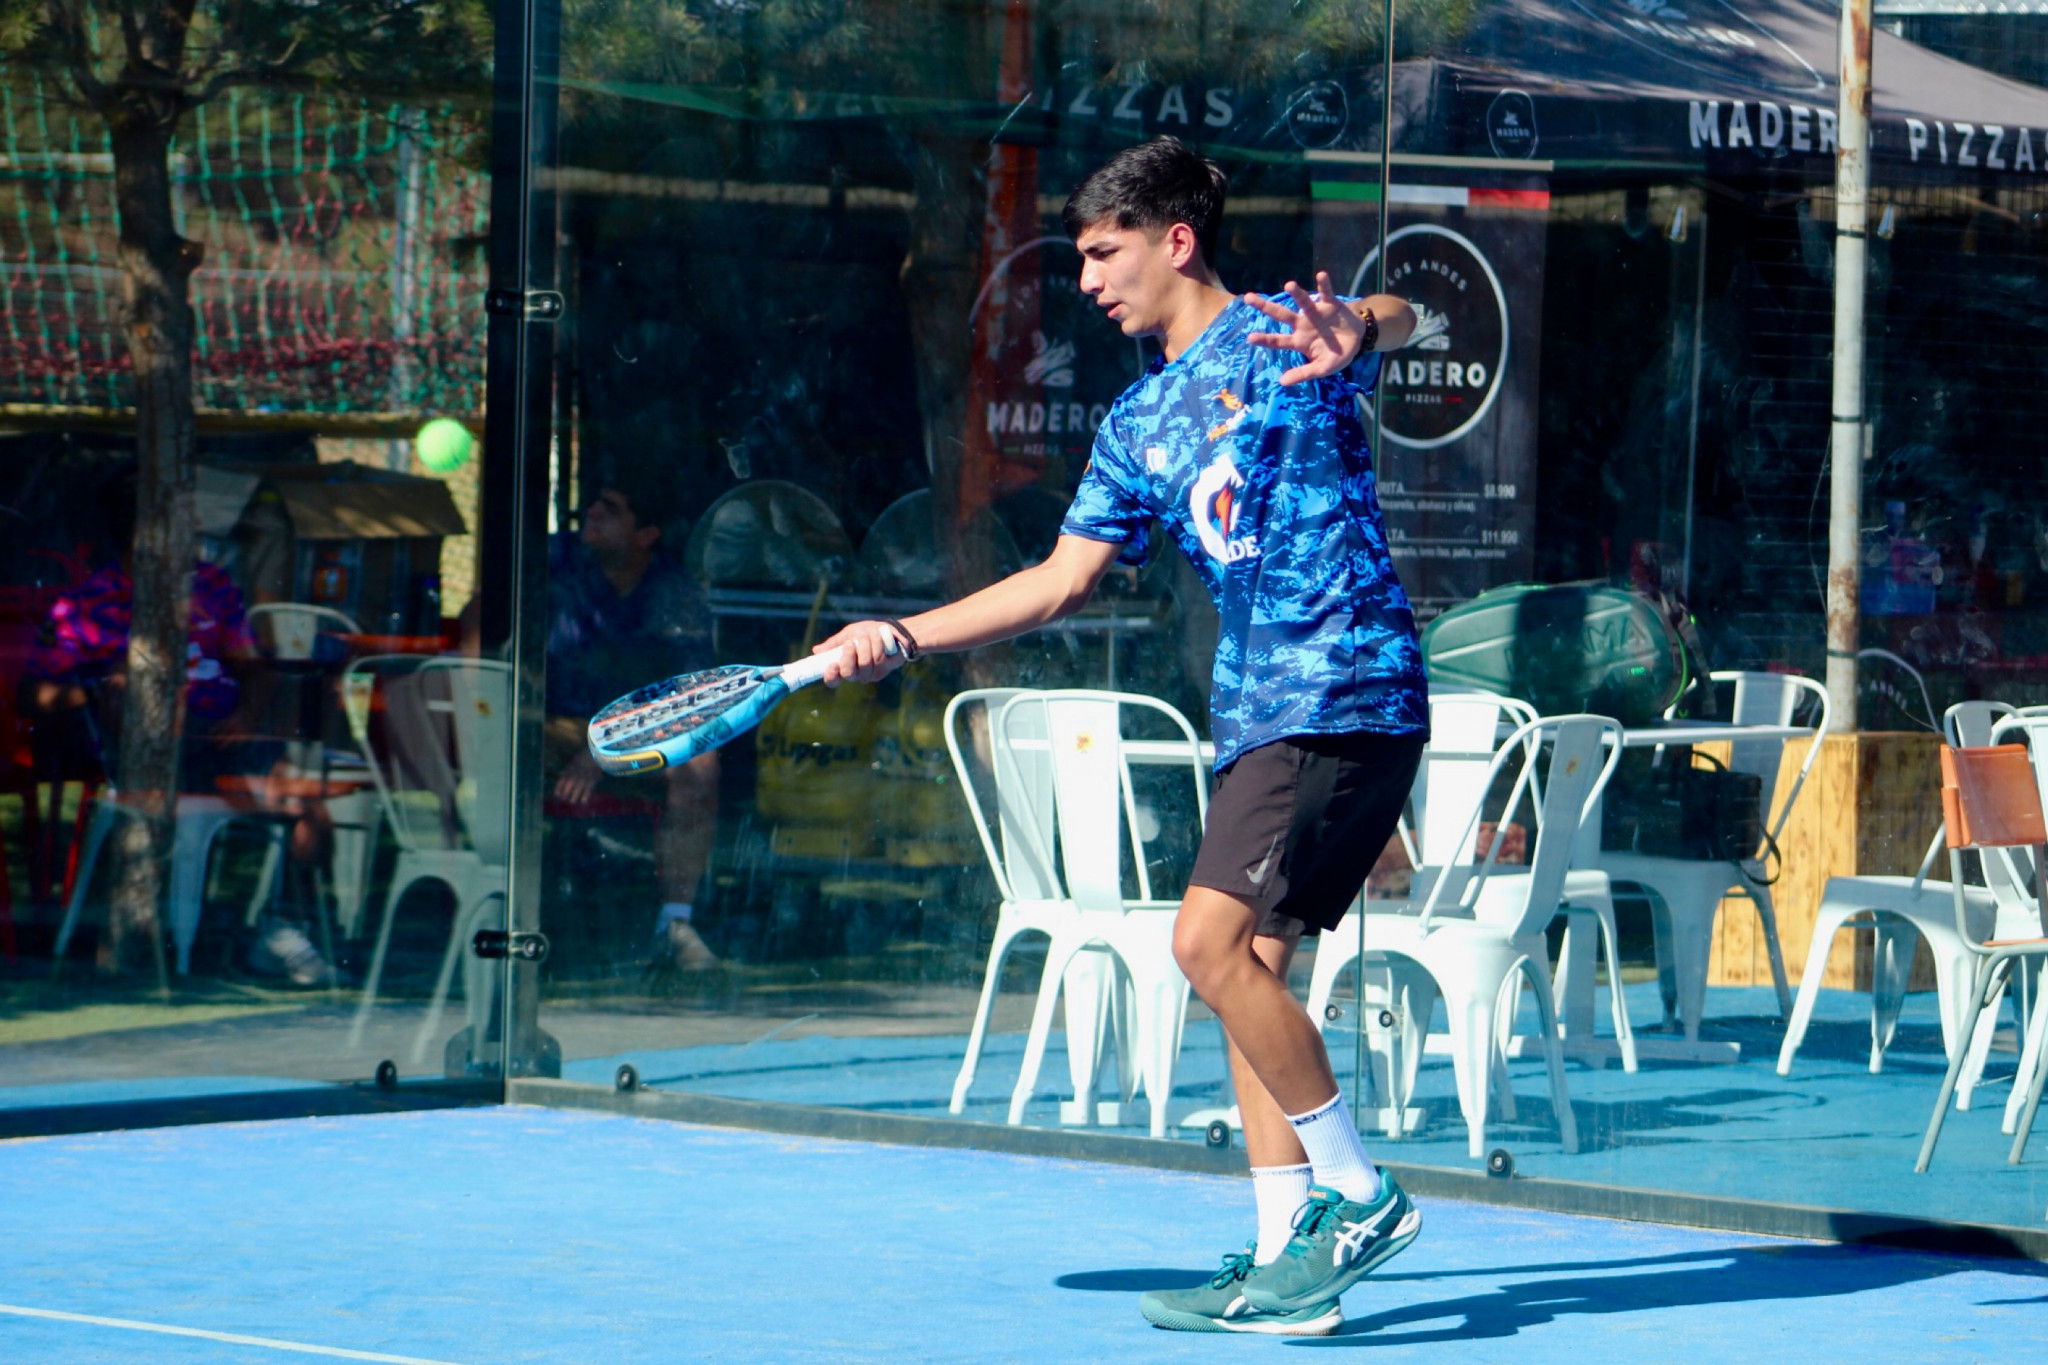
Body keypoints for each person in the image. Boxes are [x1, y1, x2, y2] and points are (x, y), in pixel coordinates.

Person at [815, 137, 1426, 1336]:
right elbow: (1055, 582)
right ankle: (1285, 1263)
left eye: (1104, 253)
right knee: (1249, 974)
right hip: (1258, 712)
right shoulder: (1138, 420)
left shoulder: (1284, 336)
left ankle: (1358, 1196)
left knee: (1204, 946)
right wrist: (900, 634)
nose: (1087, 280)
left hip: (1338, 688)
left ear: (1174, 240)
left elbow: (1394, 314)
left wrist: (1358, 326)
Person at [25, 472, 338, 984]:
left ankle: (279, 927)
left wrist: (247, 715)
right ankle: (212, 937)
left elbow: (253, 668)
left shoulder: (212, 585)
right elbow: (38, 696)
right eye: (181, 516)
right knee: (286, 801)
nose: (195, 525)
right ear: (142, 530)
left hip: (222, 737)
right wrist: (103, 686)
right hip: (153, 751)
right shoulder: (89, 604)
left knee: (311, 811)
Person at [545, 484, 722, 970]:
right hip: (549, 727)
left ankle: (675, 925)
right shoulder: (556, 561)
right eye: (592, 504)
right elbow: (482, 613)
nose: (592, 514)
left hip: (634, 732)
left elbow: (686, 699)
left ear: (647, 534)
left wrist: (602, 749)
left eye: (611, 509)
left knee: (700, 764)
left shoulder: (674, 594)